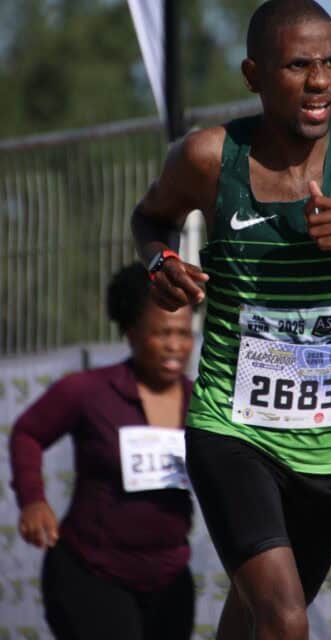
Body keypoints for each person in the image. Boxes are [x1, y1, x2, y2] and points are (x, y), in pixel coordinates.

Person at [131, 0, 331, 640]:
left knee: (256, 615)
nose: (319, 82)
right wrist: (159, 261)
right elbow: (150, 218)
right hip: (231, 426)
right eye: (299, 65)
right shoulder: (207, 157)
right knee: (284, 617)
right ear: (253, 76)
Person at [9, 262, 196, 640]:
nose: (175, 345)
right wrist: (33, 500)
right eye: (162, 333)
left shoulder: (201, 403)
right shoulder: (88, 391)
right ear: (131, 334)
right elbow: (28, 433)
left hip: (170, 578)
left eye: (183, 333)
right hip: (91, 573)